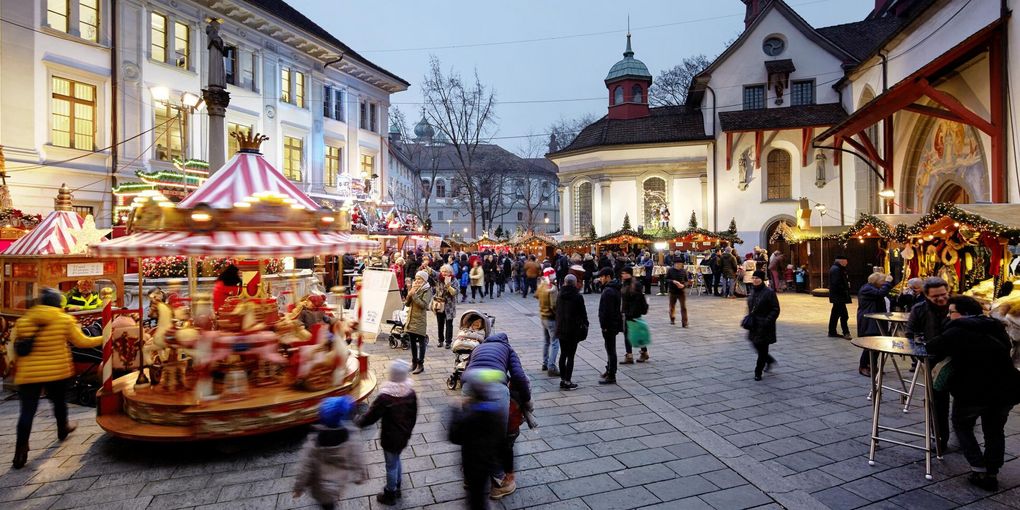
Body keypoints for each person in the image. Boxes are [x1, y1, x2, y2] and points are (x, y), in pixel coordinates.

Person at [926, 295, 1020, 491]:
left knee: (962, 424)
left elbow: (932, 346)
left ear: (963, 313)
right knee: (995, 431)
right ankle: (992, 472)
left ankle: (978, 468)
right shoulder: (995, 326)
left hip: (973, 390)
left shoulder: (958, 330)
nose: (949, 315)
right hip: (1005, 389)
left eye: (951, 312)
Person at [11, 289, 102, 469]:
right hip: (56, 371)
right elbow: (82, 342)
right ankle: (62, 428)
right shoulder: (64, 319)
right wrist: (104, 336)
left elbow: (15, 347)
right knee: (59, 403)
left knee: (27, 411)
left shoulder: (24, 320)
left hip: (28, 374)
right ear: (57, 304)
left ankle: (20, 449)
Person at [463, 333, 532, 501]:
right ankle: (499, 484)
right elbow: (519, 376)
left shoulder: (478, 348)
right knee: (498, 439)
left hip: (470, 388)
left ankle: (470, 477)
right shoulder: (507, 349)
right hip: (495, 393)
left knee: (473, 435)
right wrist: (527, 401)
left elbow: (465, 372)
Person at [356, 360, 417, 505]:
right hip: (403, 435)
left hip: (390, 438)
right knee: (396, 459)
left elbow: (371, 417)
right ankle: (398, 484)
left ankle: (390, 493)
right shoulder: (410, 393)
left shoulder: (385, 397)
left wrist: (357, 421)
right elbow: (413, 415)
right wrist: (408, 430)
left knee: (391, 465)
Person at [293, 396, 366, 510]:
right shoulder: (351, 438)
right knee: (331, 499)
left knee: (326, 504)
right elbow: (357, 458)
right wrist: (361, 475)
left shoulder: (314, 443)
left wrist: (299, 488)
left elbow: (305, 468)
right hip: (339, 483)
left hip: (320, 487)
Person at [449, 369, 507, 510]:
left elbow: (454, 437)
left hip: (471, 463)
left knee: (474, 497)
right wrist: (507, 465)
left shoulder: (468, 414)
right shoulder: (496, 412)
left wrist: (455, 411)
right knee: (481, 491)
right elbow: (503, 441)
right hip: (488, 463)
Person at [906, 277, 952, 452]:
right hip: (933, 361)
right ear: (926, 296)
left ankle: (964, 436)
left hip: (960, 359)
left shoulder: (957, 304)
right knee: (938, 403)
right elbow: (911, 334)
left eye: (943, 294)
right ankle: (941, 439)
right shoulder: (919, 309)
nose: (941, 299)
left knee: (964, 405)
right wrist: (922, 357)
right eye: (935, 297)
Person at [856, 272, 895, 377]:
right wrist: (888, 282)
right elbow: (880, 293)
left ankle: (872, 366)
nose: (884, 284)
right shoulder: (867, 288)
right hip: (869, 321)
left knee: (877, 344)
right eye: (882, 282)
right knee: (870, 344)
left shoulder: (872, 288)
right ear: (876, 281)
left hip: (876, 320)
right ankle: (864, 366)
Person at [745, 271, 780, 381]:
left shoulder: (769, 292)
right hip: (754, 325)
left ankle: (758, 372)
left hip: (765, 326)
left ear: (762, 279)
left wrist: (767, 320)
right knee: (756, 345)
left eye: (757, 278)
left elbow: (776, 309)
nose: (755, 280)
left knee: (763, 349)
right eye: (753, 277)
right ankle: (769, 360)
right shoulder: (753, 291)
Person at [555, 274, 587, 390]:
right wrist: (585, 324)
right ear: (574, 283)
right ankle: (568, 381)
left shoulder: (559, 294)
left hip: (561, 329)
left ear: (564, 282)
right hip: (573, 330)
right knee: (571, 356)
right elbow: (583, 313)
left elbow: (556, 310)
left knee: (563, 354)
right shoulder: (577, 296)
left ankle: (563, 379)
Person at [597, 268, 623, 385]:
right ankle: (609, 369)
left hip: (609, 325)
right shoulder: (614, 288)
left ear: (608, 277)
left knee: (611, 349)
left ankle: (611, 374)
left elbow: (607, 311)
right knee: (609, 348)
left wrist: (605, 325)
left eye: (602, 276)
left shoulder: (609, 291)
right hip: (613, 323)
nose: (600, 279)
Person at [404, 271, 431, 374]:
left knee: (421, 342)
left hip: (420, 320)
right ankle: (414, 363)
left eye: (419, 279)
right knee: (412, 343)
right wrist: (409, 294)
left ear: (424, 280)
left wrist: (414, 295)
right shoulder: (415, 289)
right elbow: (407, 304)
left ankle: (421, 364)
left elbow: (424, 305)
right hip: (411, 319)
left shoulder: (427, 290)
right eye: (416, 278)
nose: (417, 281)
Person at [621, 266, 649, 363]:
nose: (623, 275)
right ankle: (631, 355)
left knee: (635, 334)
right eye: (622, 273)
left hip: (634, 313)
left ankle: (641, 353)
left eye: (625, 273)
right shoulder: (625, 283)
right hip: (627, 312)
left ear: (630, 273)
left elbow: (637, 300)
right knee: (628, 334)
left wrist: (631, 313)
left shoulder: (635, 284)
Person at [535, 268, 559, 376]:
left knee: (546, 341)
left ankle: (545, 363)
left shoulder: (541, 286)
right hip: (551, 318)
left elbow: (536, 296)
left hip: (543, 317)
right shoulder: (552, 289)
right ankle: (551, 367)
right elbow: (554, 305)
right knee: (555, 343)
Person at [827, 255, 852, 339]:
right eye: (846, 261)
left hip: (837, 296)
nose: (847, 263)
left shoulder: (838, 268)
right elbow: (836, 283)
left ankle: (832, 331)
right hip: (839, 296)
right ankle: (846, 332)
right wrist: (844, 290)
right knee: (844, 315)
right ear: (841, 261)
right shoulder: (836, 270)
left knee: (835, 314)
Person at [435, 265, 459, 349]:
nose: (444, 273)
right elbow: (432, 273)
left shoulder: (454, 280)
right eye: (443, 271)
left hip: (449, 305)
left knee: (449, 324)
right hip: (440, 304)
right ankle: (440, 340)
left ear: (450, 272)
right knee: (440, 324)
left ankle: (448, 342)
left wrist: (449, 286)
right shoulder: (439, 279)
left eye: (446, 271)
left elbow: (455, 292)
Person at [664, 258, 689, 327]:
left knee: (683, 307)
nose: (678, 265)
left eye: (680, 264)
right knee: (672, 306)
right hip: (672, 291)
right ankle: (672, 318)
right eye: (677, 264)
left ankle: (685, 322)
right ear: (674, 264)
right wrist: (673, 281)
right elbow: (666, 279)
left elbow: (687, 281)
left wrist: (683, 285)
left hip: (681, 292)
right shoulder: (670, 270)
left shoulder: (684, 271)